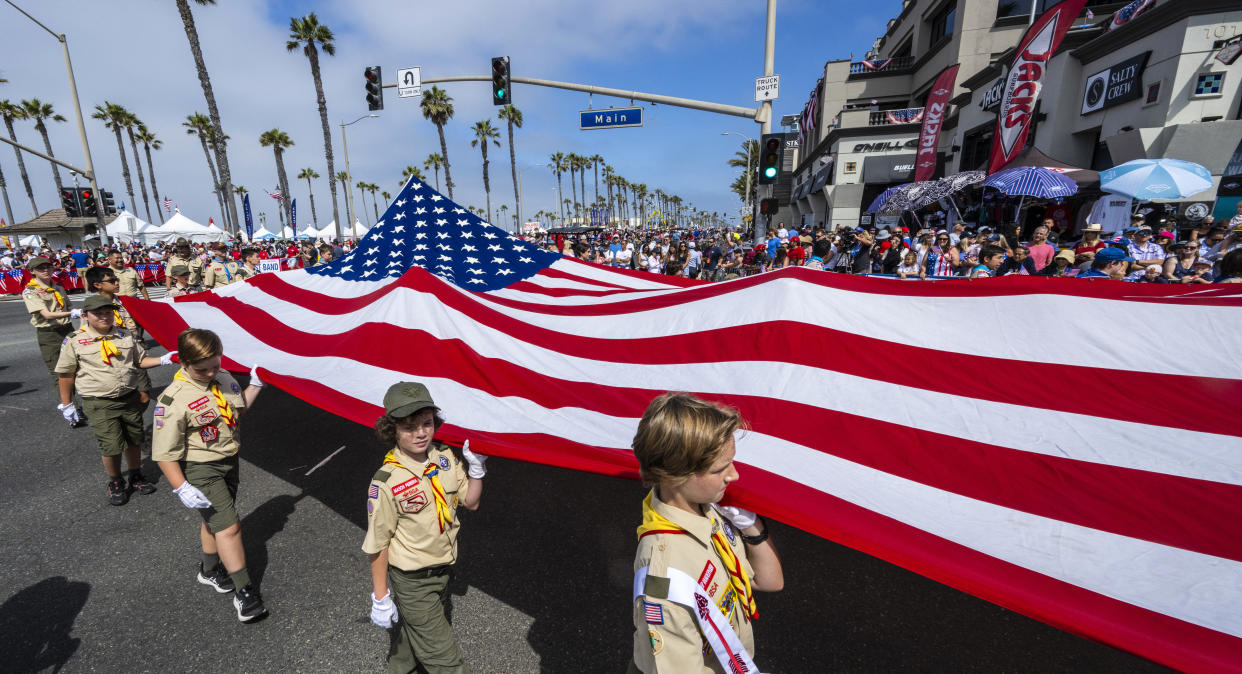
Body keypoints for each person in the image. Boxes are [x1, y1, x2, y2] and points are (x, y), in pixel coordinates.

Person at [629, 392, 783, 673]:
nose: (734, 475)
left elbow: (770, 581)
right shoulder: (664, 575)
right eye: (720, 469)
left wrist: (752, 529)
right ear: (677, 475)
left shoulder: (708, 509)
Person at [363, 382, 488, 673]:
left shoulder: (443, 457)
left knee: (412, 635)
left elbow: (471, 503)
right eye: (409, 427)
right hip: (412, 580)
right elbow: (378, 543)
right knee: (445, 661)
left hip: (443, 569)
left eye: (427, 423)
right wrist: (380, 596)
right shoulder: (386, 481)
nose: (421, 433)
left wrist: (477, 471)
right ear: (392, 429)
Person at [152, 329, 266, 622]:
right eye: (202, 369)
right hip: (201, 468)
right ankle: (244, 591)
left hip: (229, 460)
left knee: (213, 521)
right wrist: (181, 487)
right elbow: (164, 452)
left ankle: (208, 570)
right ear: (183, 363)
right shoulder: (173, 399)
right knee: (229, 527)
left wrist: (254, 387)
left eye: (215, 364)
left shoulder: (224, 378)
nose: (211, 372)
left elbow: (235, 416)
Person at [56, 294, 174, 505]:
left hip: (129, 397)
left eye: (108, 312)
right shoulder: (75, 340)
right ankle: (116, 481)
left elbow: (140, 360)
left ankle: (136, 474)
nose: (104, 317)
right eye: (98, 313)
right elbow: (66, 374)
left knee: (134, 439)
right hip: (99, 401)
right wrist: (67, 404)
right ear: (85, 316)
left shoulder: (124, 335)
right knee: (111, 445)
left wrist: (164, 360)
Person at [24, 256, 81, 394]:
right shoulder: (31, 291)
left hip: (67, 329)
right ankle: (71, 407)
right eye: (40, 268)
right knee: (59, 372)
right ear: (32, 271)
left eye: (48, 267)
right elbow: (47, 315)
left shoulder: (58, 288)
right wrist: (72, 313)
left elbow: (66, 307)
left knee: (78, 367)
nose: (46, 270)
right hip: (49, 334)